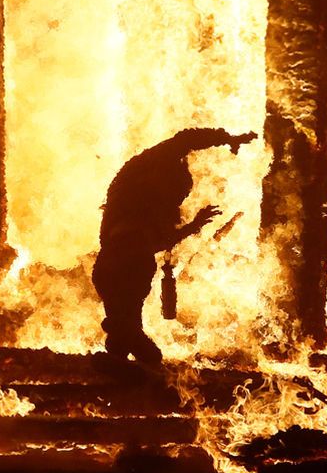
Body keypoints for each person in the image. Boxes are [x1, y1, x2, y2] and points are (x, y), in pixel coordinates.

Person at [93, 128, 256, 364]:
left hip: (112, 270)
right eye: (179, 194)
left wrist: (195, 225)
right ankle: (121, 357)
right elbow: (186, 139)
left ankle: (116, 359)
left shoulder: (129, 202)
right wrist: (226, 138)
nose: (179, 201)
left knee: (125, 333)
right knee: (140, 345)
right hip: (126, 271)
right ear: (166, 182)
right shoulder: (142, 178)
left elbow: (154, 242)